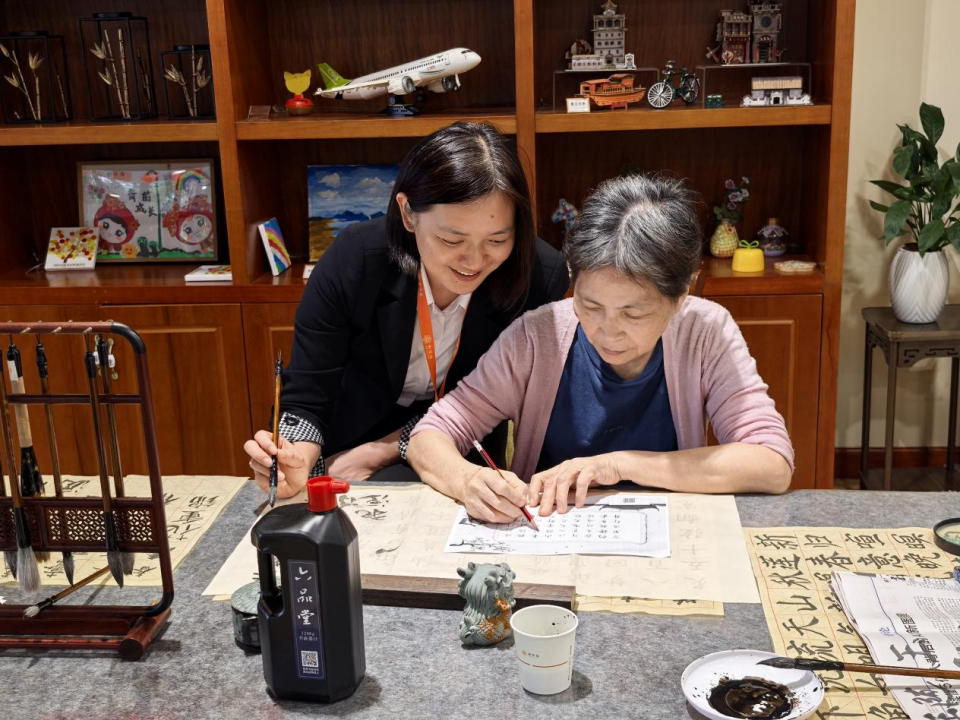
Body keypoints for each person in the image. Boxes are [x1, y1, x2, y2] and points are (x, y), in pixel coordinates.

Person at [407, 174, 794, 522]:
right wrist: (467, 479)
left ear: (682, 293)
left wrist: (618, 465)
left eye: (633, 313)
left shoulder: (704, 331)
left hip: (673, 537)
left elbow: (771, 463)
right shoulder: (536, 337)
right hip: (552, 534)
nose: (607, 332)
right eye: (590, 306)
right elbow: (431, 434)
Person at [244, 122, 569, 498]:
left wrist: (379, 454)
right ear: (408, 213)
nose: (474, 261)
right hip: (347, 441)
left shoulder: (538, 277)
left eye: (497, 240)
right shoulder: (357, 259)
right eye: (451, 239)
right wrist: (292, 461)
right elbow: (307, 394)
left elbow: (496, 402)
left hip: (458, 446)